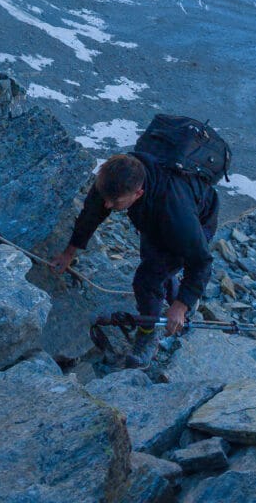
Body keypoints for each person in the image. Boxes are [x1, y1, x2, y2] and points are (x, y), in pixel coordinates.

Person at [52, 151, 219, 367]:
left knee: (146, 281)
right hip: (154, 217)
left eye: (115, 202)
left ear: (138, 194)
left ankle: (148, 336)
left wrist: (181, 306)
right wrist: (69, 253)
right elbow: (91, 214)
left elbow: (201, 261)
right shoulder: (113, 181)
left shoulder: (178, 217)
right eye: (106, 198)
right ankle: (172, 291)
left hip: (198, 220)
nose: (108, 206)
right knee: (154, 260)